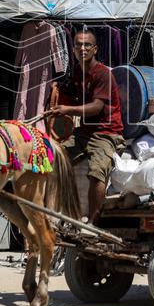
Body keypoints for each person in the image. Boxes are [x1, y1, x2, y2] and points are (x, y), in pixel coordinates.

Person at [49, 28, 125, 223]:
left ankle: (92, 223)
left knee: (97, 173)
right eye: (78, 45)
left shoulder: (103, 74)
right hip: (84, 132)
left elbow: (96, 107)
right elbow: (75, 97)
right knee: (53, 159)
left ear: (95, 49)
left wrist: (66, 110)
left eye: (87, 45)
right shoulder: (78, 72)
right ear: (73, 49)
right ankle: (60, 215)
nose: (82, 48)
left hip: (106, 133)